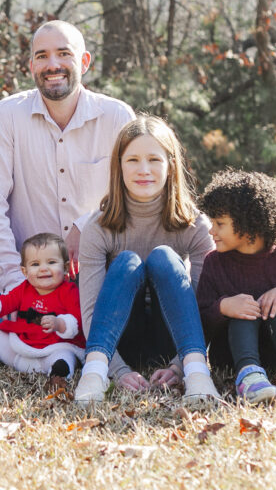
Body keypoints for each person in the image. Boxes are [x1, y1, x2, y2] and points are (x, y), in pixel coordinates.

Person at [0, 20, 135, 295]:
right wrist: (15, 285)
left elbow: (139, 196)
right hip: (30, 279)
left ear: (84, 61)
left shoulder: (117, 117)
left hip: (102, 273)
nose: (52, 65)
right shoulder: (7, 116)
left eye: (64, 53)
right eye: (42, 56)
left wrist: (87, 225)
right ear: (31, 66)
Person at [74, 116, 219, 405]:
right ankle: (94, 373)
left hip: (175, 336)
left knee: (164, 257)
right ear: (119, 166)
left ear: (170, 165)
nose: (143, 170)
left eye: (154, 159)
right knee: (127, 262)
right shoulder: (97, 228)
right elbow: (90, 313)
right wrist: (118, 370)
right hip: (118, 337)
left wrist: (178, 366)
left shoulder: (195, 226)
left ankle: (198, 374)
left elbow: (205, 304)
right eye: (133, 160)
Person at [196, 170, 276, 405]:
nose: (211, 231)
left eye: (219, 223)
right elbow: (199, 325)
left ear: (249, 224)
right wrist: (223, 307)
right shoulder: (214, 263)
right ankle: (250, 379)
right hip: (231, 357)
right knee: (243, 307)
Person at [0, 233, 85, 377]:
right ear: (24, 271)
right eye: (35, 264)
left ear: (66, 267)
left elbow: (77, 320)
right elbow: (7, 301)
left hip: (53, 349)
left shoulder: (69, 291)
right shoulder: (24, 288)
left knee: (66, 355)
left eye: (51, 262)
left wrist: (60, 324)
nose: (43, 269)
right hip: (22, 351)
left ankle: (59, 374)